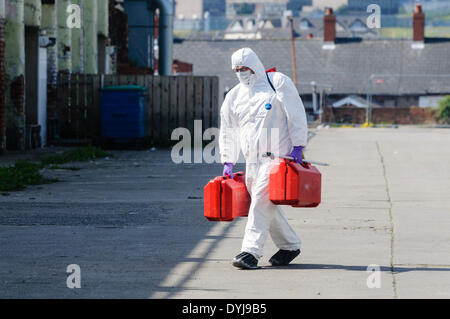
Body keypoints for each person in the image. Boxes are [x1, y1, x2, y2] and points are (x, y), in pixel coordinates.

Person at [219, 48, 308, 269]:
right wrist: (228, 160)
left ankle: (250, 252)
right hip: (252, 161)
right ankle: (290, 245)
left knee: (260, 201)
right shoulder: (235, 96)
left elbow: (296, 112)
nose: (242, 73)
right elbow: (228, 129)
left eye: (245, 68)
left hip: (278, 158)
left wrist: (298, 145)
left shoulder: (276, 82)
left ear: (255, 65)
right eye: (237, 70)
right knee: (266, 203)